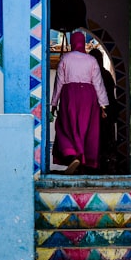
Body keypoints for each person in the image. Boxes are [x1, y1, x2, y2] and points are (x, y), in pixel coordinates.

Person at [51, 31, 110, 175]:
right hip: (88, 97)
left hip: (69, 95)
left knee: (65, 126)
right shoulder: (91, 60)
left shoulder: (65, 58)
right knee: (86, 128)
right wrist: (103, 105)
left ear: (72, 43)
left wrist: (54, 103)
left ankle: (72, 155)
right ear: (83, 42)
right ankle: (83, 161)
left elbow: (59, 82)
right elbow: (98, 84)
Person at [90, 47, 118, 174]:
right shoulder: (106, 74)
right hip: (109, 112)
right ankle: (107, 168)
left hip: (97, 113)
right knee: (107, 141)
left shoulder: (92, 75)